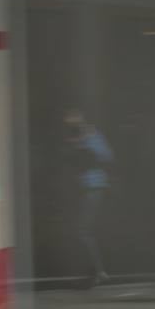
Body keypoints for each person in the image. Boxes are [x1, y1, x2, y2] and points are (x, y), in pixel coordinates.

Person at [65, 109, 113, 287]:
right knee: (84, 230)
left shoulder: (91, 135)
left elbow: (107, 156)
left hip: (94, 187)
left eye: (72, 118)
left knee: (83, 230)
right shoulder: (79, 137)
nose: (69, 122)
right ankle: (95, 271)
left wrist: (86, 143)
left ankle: (99, 271)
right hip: (87, 187)